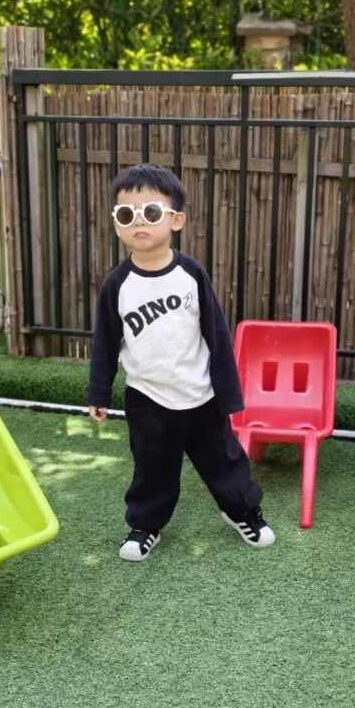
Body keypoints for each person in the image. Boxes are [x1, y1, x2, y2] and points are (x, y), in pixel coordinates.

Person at [87, 163, 275, 562]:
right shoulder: (118, 285)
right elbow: (105, 342)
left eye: (151, 212)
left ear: (176, 220)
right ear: (117, 225)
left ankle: (243, 512)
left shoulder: (190, 274)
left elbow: (216, 333)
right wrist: (99, 391)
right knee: (152, 469)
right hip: (147, 397)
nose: (139, 222)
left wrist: (228, 393)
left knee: (225, 462)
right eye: (127, 214)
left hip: (200, 394)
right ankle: (145, 525)